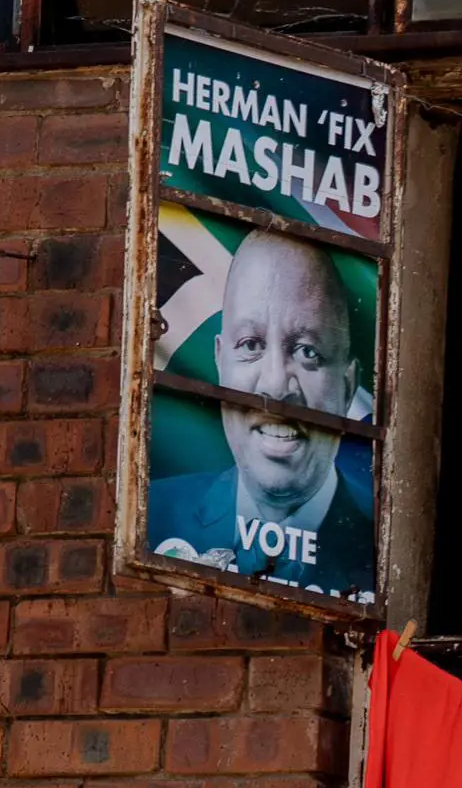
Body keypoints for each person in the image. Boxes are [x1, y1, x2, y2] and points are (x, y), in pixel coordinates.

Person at [148, 226, 378, 594]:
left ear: (348, 385)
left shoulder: (383, 546)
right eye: (251, 344)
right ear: (220, 361)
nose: (274, 385)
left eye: (308, 352)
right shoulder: (150, 516)